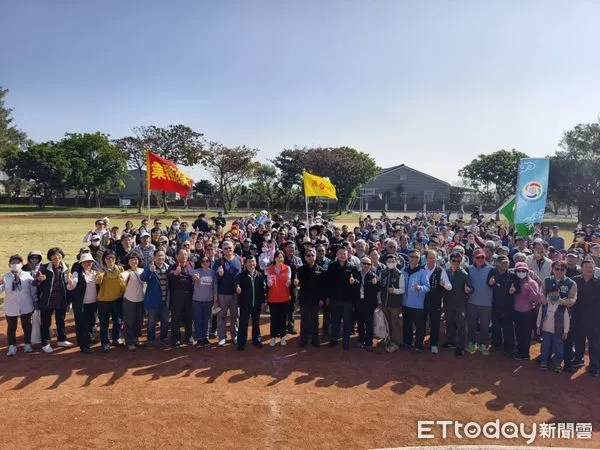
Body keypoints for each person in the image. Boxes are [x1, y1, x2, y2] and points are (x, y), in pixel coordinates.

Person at [33, 247, 74, 353]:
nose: (56, 257)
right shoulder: (44, 267)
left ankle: (61, 339)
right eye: (53, 255)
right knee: (46, 323)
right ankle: (45, 343)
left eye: (58, 254)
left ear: (62, 255)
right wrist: (39, 279)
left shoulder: (66, 267)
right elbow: (34, 283)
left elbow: (68, 282)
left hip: (61, 299)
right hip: (47, 301)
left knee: (61, 321)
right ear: (50, 257)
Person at [540, 260, 577, 372]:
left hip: (563, 316)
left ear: (565, 270)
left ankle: (560, 362)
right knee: (546, 340)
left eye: (562, 269)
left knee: (562, 341)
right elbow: (542, 293)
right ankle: (544, 360)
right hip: (548, 316)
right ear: (552, 269)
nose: (559, 271)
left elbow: (572, 299)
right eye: (556, 269)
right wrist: (543, 299)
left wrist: (563, 302)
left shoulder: (571, 283)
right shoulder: (547, 280)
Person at [1, 255, 35, 356]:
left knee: (27, 326)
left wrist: (38, 280)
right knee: (11, 327)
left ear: (21, 264)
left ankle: (28, 344)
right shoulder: (5, 277)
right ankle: (12, 346)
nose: (15, 265)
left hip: (25, 304)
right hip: (11, 306)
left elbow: (33, 286)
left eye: (18, 262)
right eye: (13, 263)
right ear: (9, 265)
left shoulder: (27, 275)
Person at [326, 247, 359, 349]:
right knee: (334, 321)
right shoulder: (331, 266)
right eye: (340, 253)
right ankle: (334, 340)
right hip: (334, 299)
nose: (342, 256)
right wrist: (327, 297)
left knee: (347, 322)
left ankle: (346, 341)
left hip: (347, 300)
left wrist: (354, 282)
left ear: (348, 255)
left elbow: (357, 283)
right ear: (337, 254)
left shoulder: (352, 267)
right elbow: (328, 283)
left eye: (344, 254)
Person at [571, 260, 600, 376]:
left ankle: (594, 366)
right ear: (582, 268)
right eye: (587, 267)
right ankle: (578, 359)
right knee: (579, 340)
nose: (590, 269)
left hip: (595, 319)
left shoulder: (598, 282)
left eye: (592, 267)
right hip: (578, 316)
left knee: (594, 343)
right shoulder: (575, 280)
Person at [66, 253, 98, 353]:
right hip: (81, 304)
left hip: (93, 303)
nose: (88, 263)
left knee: (91, 322)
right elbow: (71, 286)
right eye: (85, 262)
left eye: (90, 261)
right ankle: (83, 345)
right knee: (81, 325)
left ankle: (88, 338)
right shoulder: (77, 273)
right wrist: (70, 282)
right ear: (81, 263)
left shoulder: (95, 272)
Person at [214, 240, 243, 347]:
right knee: (221, 316)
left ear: (233, 248)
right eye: (225, 248)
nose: (228, 250)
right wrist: (219, 274)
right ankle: (222, 337)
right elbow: (215, 277)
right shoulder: (218, 262)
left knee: (235, 316)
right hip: (223, 294)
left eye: (229, 247)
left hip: (236, 294)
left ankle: (234, 335)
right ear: (222, 249)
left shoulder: (239, 260)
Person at [234, 256, 267, 350]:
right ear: (245, 264)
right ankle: (241, 343)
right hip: (245, 304)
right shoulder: (241, 275)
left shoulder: (260, 275)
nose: (251, 264)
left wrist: (263, 301)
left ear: (255, 263)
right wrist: (237, 288)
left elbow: (263, 290)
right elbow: (236, 283)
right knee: (243, 323)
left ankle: (256, 340)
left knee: (256, 323)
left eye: (253, 262)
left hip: (256, 304)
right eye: (249, 262)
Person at [296, 248, 327, 348]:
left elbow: (323, 286)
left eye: (312, 255)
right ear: (305, 257)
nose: (310, 257)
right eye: (308, 255)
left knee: (315, 320)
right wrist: (295, 283)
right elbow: (296, 283)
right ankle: (303, 339)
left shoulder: (321, 270)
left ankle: (315, 339)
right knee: (304, 320)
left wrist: (322, 299)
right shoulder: (300, 270)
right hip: (304, 299)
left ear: (315, 256)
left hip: (316, 300)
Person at [96, 250, 125, 352]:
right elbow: (97, 281)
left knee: (117, 321)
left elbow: (123, 283)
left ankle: (116, 339)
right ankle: (105, 343)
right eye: (108, 258)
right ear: (104, 260)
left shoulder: (120, 269)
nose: (110, 260)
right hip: (103, 301)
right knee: (104, 323)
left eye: (112, 258)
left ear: (115, 259)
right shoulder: (101, 271)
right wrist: (100, 277)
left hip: (116, 300)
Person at [443, 251, 472, 356]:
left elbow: (471, 287)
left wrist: (468, 289)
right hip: (448, 303)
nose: (456, 263)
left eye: (458, 261)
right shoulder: (445, 272)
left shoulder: (464, 274)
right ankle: (450, 341)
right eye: (453, 260)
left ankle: (461, 346)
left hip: (460, 304)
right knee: (449, 323)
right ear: (450, 261)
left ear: (461, 262)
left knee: (460, 326)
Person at [423, 250, 452, 353]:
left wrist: (444, 284)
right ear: (426, 258)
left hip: (435, 302)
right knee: (421, 323)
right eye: (430, 257)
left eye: (434, 257)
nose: (432, 259)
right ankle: (419, 342)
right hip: (422, 302)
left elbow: (449, 287)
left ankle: (434, 344)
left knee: (435, 324)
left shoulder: (441, 271)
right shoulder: (422, 269)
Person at [402, 250, 431, 352]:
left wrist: (419, 288)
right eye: (412, 256)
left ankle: (419, 344)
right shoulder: (403, 270)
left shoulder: (423, 272)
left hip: (418, 305)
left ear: (419, 259)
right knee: (407, 324)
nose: (414, 259)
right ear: (408, 258)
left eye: (416, 257)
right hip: (405, 303)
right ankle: (407, 342)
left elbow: (427, 287)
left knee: (419, 326)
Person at [466, 248, 494, 355]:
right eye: (478, 257)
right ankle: (472, 344)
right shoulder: (468, 269)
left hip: (486, 304)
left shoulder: (491, 269)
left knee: (484, 326)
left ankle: (483, 345)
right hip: (472, 302)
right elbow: (467, 284)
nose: (480, 259)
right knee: (471, 325)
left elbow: (492, 282)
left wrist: (492, 283)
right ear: (474, 258)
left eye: (482, 257)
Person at [488, 255, 517, 356]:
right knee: (495, 326)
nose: (505, 264)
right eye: (503, 262)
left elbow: (518, 288)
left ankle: (509, 348)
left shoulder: (513, 275)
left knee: (507, 328)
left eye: (507, 263)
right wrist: (490, 283)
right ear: (498, 263)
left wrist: (514, 291)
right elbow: (488, 283)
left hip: (507, 306)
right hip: (495, 304)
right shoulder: (493, 272)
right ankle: (496, 343)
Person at [141, 250, 170, 345]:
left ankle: (163, 337)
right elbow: (143, 278)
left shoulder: (168, 268)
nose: (161, 257)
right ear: (154, 257)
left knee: (165, 321)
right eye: (158, 256)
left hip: (165, 300)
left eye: (162, 255)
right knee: (151, 322)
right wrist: (150, 271)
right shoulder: (149, 267)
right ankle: (150, 338)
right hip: (153, 300)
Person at [512, 262, 539, 361]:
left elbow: (536, 299)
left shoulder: (532, 283)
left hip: (528, 312)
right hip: (516, 311)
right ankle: (520, 351)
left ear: (527, 272)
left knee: (526, 334)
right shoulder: (514, 282)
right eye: (519, 271)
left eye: (523, 271)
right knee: (518, 333)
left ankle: (525, 353)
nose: (521, 272)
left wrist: (530, 289)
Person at [168, 248, 194, 347]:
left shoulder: (191, 265)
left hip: (189, 295)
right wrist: (175, 273)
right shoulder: (173, 266)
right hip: (177, 295)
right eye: (182, 254)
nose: (184, 256)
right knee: (176, 317)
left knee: (189, 316)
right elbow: (169, 276)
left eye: (186, 254)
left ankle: (189, 336)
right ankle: (176, 338)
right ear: (177, 256)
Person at [378, 254, 404, 352]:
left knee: (395, 323)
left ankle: (396, 341)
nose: (391, 263)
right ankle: (388, 338)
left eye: (393, 261)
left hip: (395, 304)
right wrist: (380, 301)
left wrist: (395, 290)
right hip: (385, 302)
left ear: (396, 262)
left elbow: (403, 290)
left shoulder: (399, 274)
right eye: (389, 261)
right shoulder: (383, 272)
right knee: (387, 322)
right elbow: (380, 288)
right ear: (386, 262)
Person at [266, 250, 292, 347]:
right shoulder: (270, 269)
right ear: (274, 258)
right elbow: (268, 280)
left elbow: (289, 279)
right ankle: (272, 337)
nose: (279, 259)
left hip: (284, 297)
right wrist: (269, 283)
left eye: (281, 257)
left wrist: (289, 283)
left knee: (282, 318)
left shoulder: (287, 268)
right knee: (274, 319)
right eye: (278, 257)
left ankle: (283, 337)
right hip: (273, 298)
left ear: (283, 258)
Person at [191, 256, 217, 348]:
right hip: (197, 301)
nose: (205, 262)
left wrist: (215, 300)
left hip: (208, 301)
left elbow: (215, 287)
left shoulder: (213, 273)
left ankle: (205, 337)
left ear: (209, 262)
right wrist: (195, 278)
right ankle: (199, 338)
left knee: (206, 320)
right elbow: (193, 278)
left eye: (207, 261)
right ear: (200, 263)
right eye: (203, 261)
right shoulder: (196, 271)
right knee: (198, 320)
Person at [121, 253, 145, 351]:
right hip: (129, 300)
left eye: (135, 259)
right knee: (129, 321)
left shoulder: (143, 271)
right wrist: (122, 276)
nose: (134, 262)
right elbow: (123, 276)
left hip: (141, 299)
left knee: (139, 321)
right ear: (128, 262)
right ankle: (129, 341)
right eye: (131, 260)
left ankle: (135, 338)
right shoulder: (128, 272)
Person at [355, 256, 379, 351]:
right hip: (359, 302)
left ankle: (369, 342)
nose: (366, 265)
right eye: (364, 263)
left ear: (371, 265)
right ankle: (361, 340)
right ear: (361, 264)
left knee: (369, 323)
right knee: (360, 322)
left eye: (368, 264)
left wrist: (376, 283)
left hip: (369, 304)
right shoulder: (356, 274)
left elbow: (378, 289)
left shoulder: (374, 276)